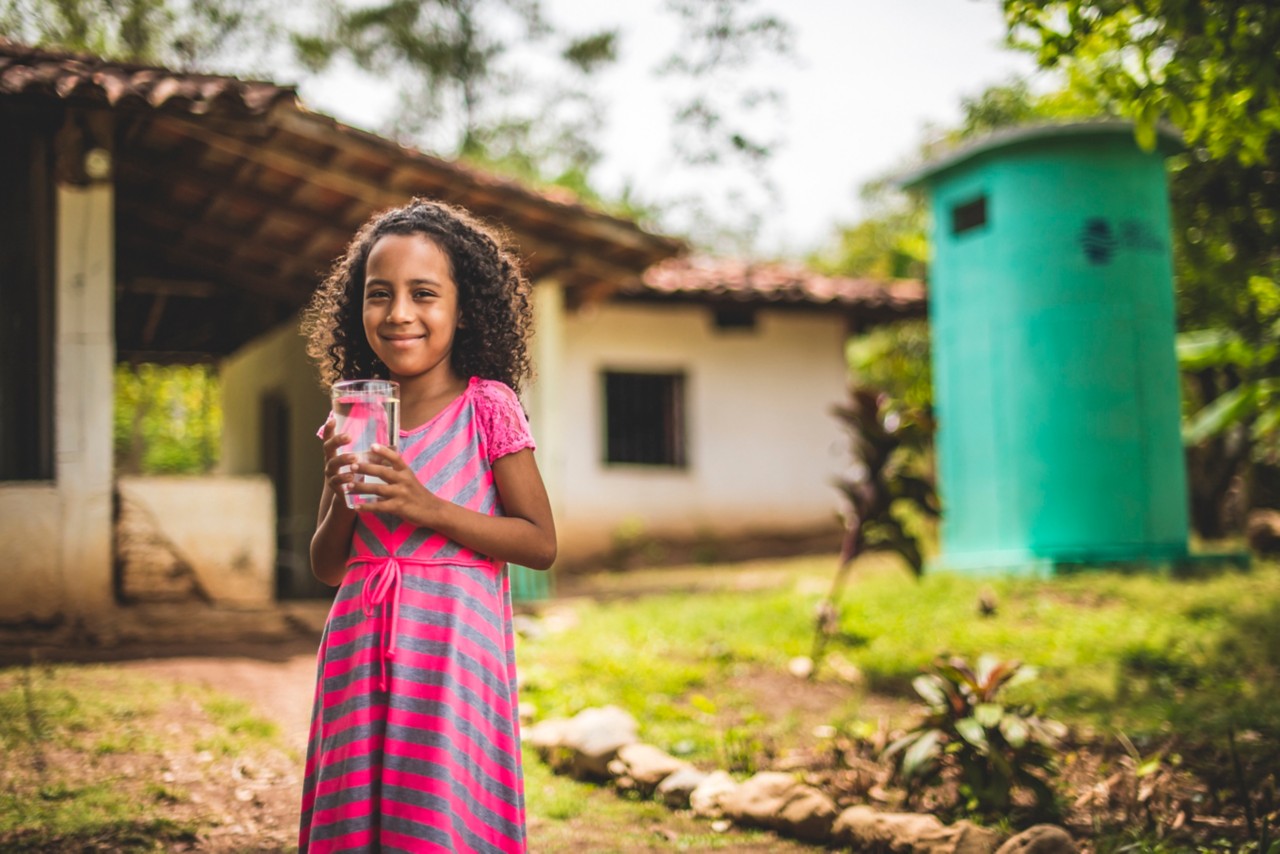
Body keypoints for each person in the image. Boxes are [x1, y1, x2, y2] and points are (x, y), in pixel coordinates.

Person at [297, 198, 556, 853]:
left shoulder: (487, 406)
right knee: (357, 814)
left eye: (423, 294)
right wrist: (341, 497)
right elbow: (329, 567)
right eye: (378, 295)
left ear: (464, 307)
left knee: (436, 818)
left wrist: (427, 507)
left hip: (451, 656)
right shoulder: (351, 413)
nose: (399, 314)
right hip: (358, 650)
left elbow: (539, 541)